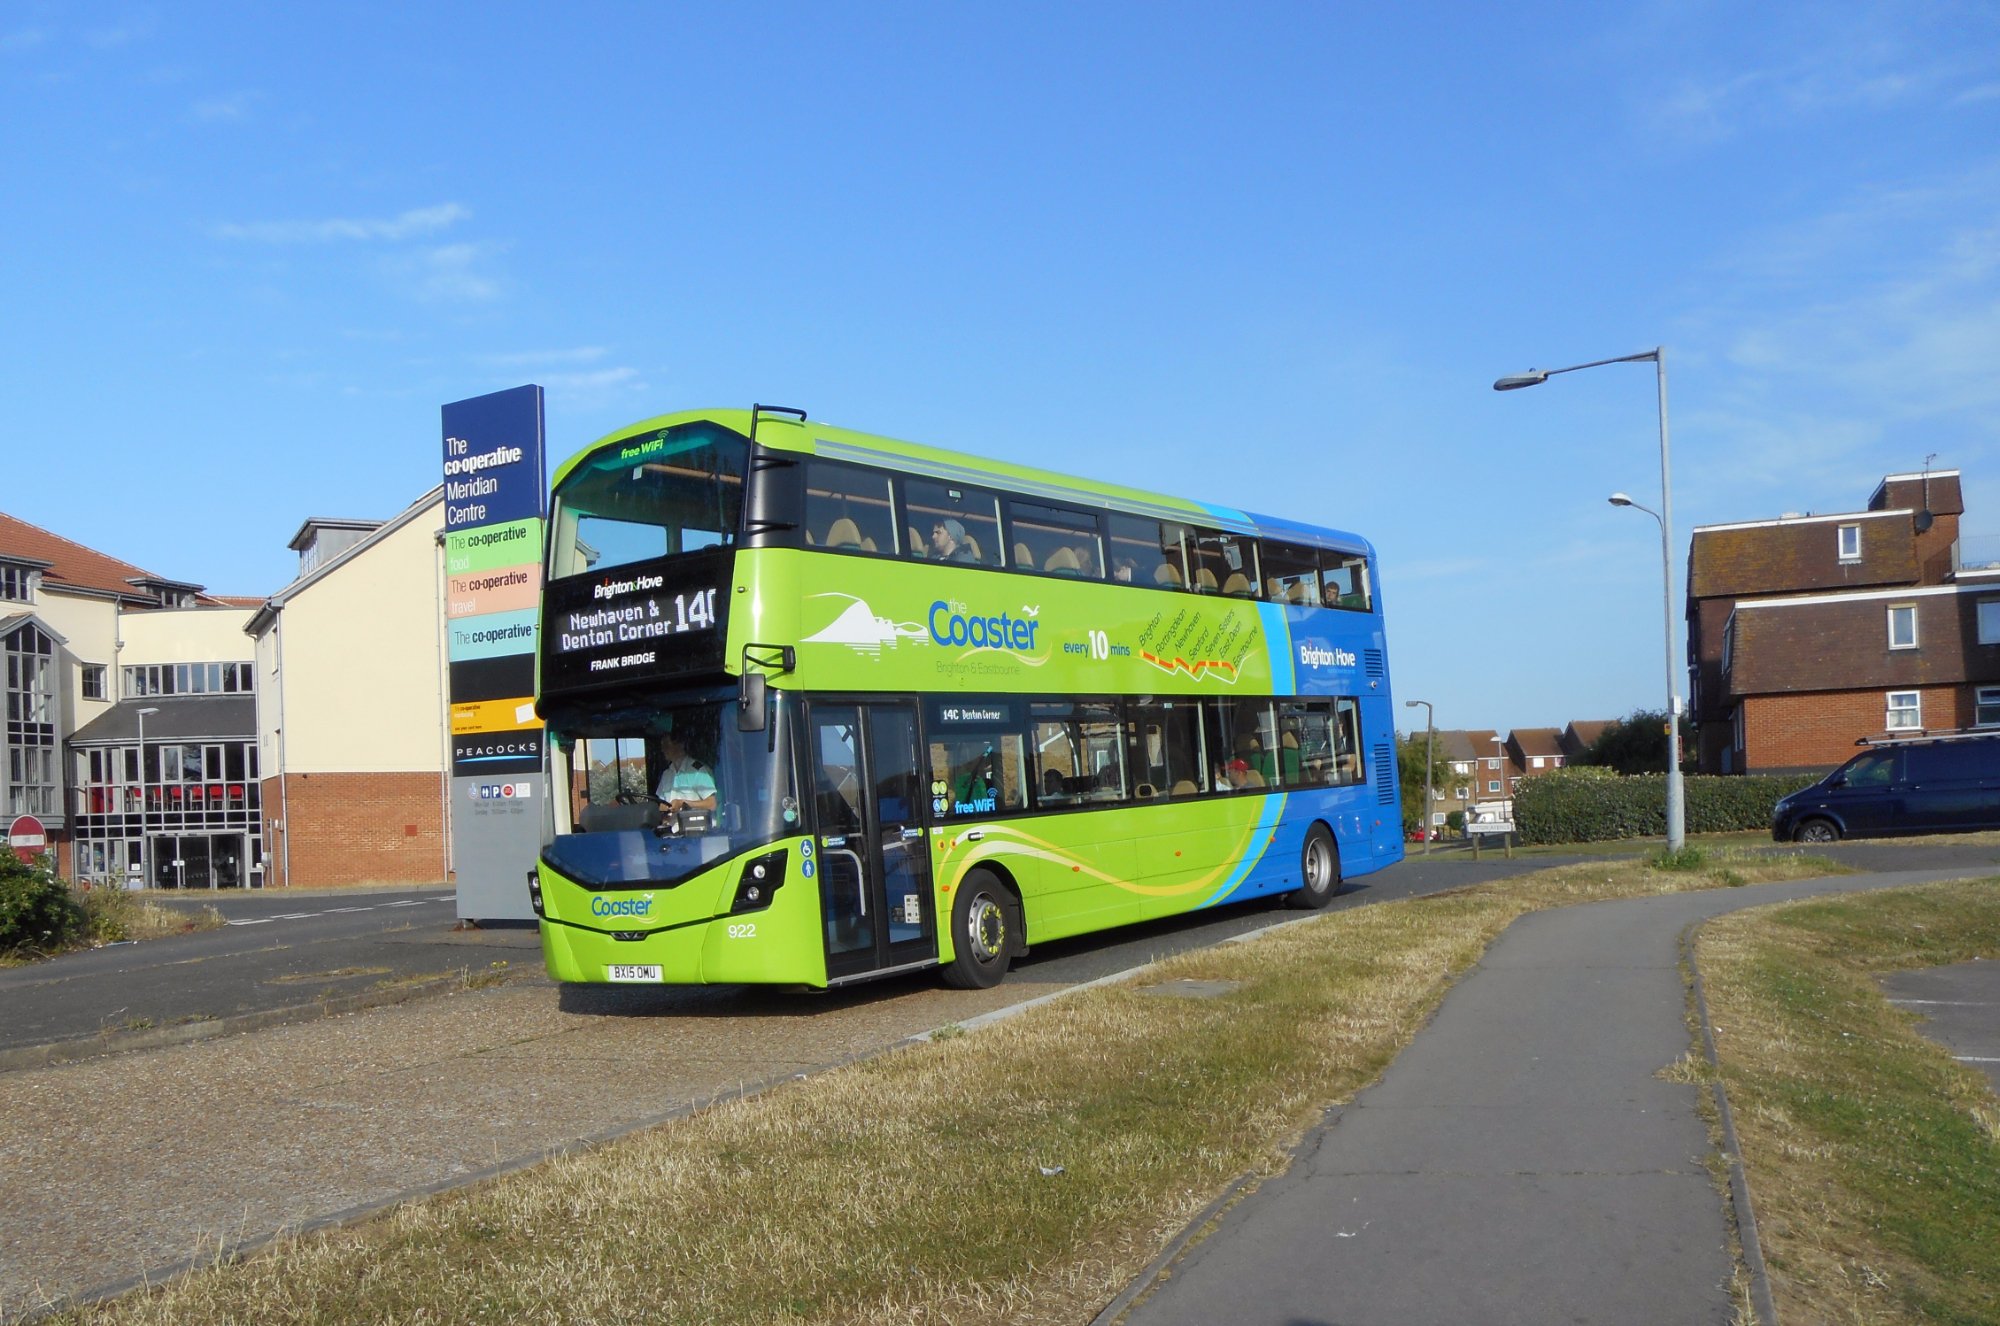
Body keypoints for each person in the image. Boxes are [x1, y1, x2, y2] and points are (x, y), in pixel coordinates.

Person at [655, 729, 717, 813]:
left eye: (666, 745)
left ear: (680, 745)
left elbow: (712, 804)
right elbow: (661, 804)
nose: (663, 750)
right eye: (662, 746)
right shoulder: (666, 774)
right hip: (670, 825)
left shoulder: (697, 771)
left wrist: (683, 803)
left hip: (694, 825)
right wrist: (663, 808)